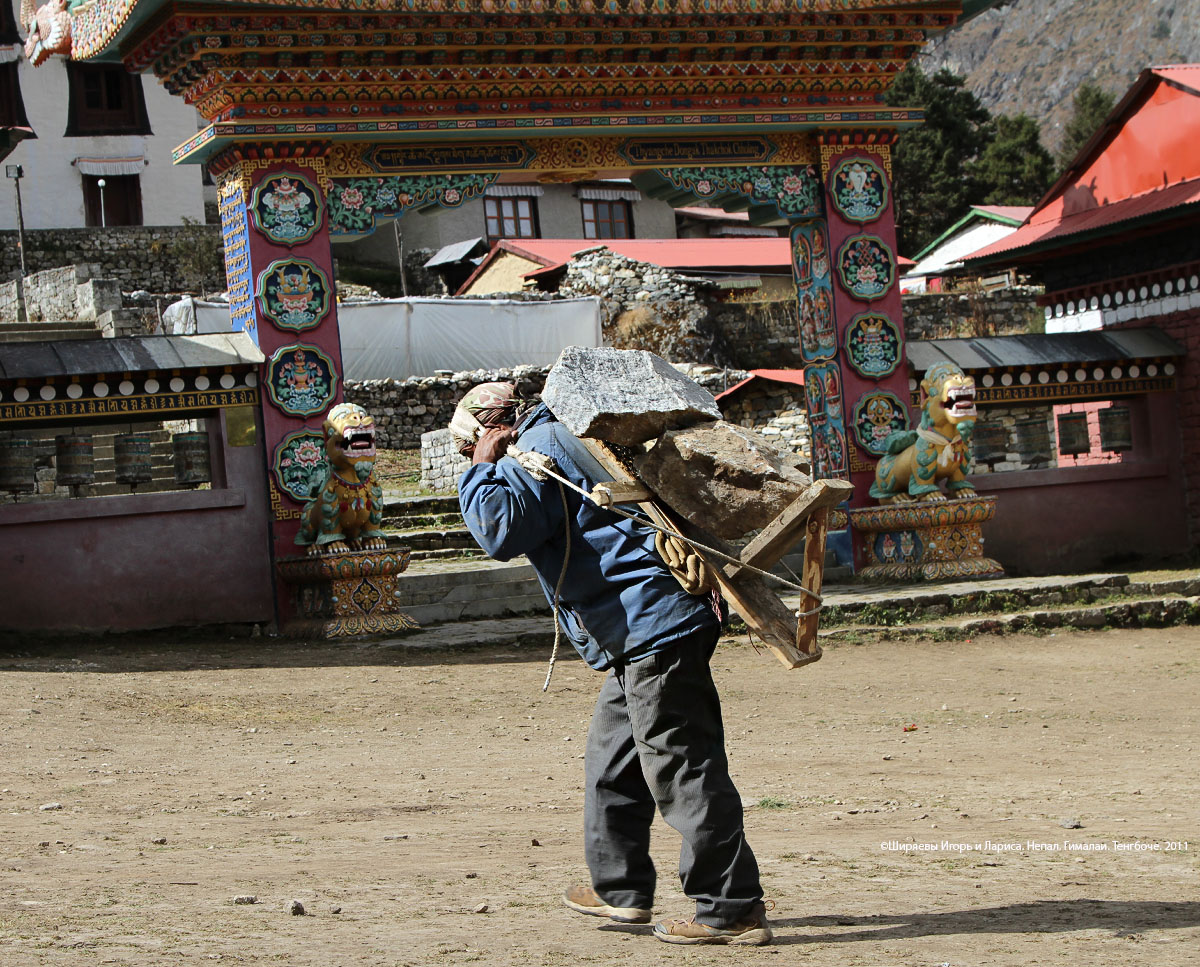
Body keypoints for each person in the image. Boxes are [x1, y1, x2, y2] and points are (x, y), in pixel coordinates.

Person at [450, 381, 773, 946]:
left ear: (490, 423)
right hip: (643, 630)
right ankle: (618, 891)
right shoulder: (561, 435)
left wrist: (481, 463)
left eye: (469, 441)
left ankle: (730, 909)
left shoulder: (538, 445)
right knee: (613, 763)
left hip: (653, 627)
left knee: (682, 765)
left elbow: (499, 530)